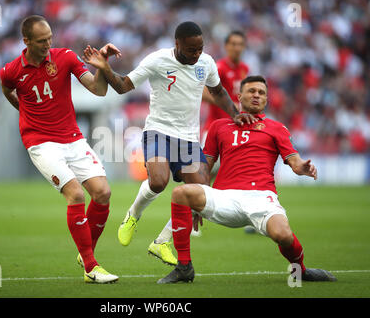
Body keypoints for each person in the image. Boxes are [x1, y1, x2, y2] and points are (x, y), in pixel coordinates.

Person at [82, 21, 256, 266]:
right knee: (158, 181)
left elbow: (217, 92)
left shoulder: (206, 62)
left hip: (188, 138)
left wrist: (235, 113)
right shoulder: (157, 60)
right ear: (177, 44)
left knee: (201, 194)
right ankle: (133, 215)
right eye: (191, 50)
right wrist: (106, 69)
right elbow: (122, 86)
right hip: (159, 132)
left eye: (200, 49)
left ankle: (161, 241)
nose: (196, 54)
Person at [158, 75, 337, 284]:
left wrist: (303, 168)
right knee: (181, 193)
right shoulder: (218, 126)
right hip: (224, 197)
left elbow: (295, 161)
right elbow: (204, 166)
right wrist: (196, 204)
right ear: (239, 95)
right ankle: (184, 267)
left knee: (284, 235)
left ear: (266, 100)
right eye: (251, 91)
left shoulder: (276, 128)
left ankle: (301, 270)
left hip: (261, 197)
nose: (256, 95)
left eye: (261, 93)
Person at [0, 15, 121, 284]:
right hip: (41, 143)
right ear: (26, 41)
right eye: (42, 41)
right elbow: (7, 89)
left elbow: (98, 90)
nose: (47, 44)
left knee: (103, 193)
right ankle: (91, 266)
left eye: (50, 39)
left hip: (73, 138)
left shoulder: (64, 57)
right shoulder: (10, 70)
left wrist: (102, 67)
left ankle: (85, 251)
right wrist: (23, 111)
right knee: (76, 195)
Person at [196, 30, 250, 236]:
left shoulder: (245, 69)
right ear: (227, 46)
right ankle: (195, 213)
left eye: (240, 44)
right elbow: (202, 92)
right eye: (233, 44)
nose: (237, 47)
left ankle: (249, 217)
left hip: (237, 128)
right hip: (215, 128)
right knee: (203, 173)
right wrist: (228, 104)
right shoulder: (218, 67)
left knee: (243, 169)